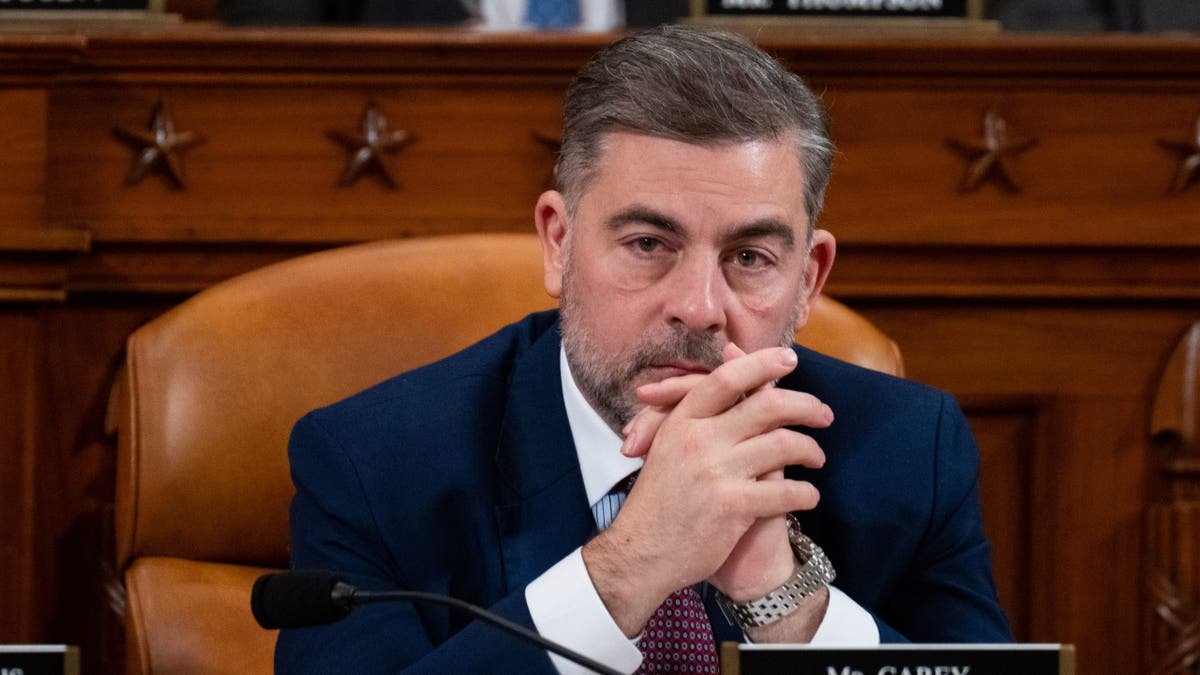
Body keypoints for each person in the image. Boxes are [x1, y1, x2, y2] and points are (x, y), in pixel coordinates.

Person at [277, 25, 1012, 674]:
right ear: (558, 243)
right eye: (648, 244)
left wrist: (784, 601)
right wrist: (629, 568)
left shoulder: (912, 451)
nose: (697, 307)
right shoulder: (372, 466)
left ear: (808, 279)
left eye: (750, 256)